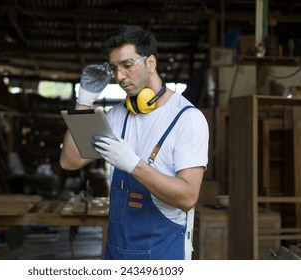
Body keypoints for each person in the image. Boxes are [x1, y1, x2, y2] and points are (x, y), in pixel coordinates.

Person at [59, 25, 209, 260]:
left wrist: (133, 165)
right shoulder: (118, 115)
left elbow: (188, 196)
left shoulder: (187, 119)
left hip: (161, 251)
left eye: (127, 66)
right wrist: (84, 103)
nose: (119, 77)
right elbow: (70, 161)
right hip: (116, 249)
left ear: (151, 63)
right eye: (114, 68)